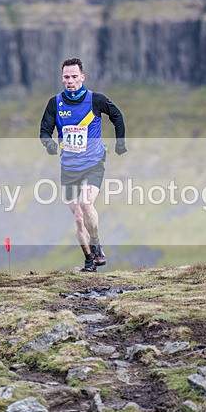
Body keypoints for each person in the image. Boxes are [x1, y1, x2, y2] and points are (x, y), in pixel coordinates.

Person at [39, 57, 127, 272]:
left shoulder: (95, 100)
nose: (70, 81)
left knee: (86, 203)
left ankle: (97, 246)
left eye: (74, 77)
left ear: (82, 77)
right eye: (67, 77)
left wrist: (120, 142)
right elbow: (44, 131)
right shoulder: (55, 103)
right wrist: (49, 144)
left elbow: (116, 116)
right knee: (78, 218)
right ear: (62, 78)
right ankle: (89, 260)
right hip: (68, 169)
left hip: (93, 164)